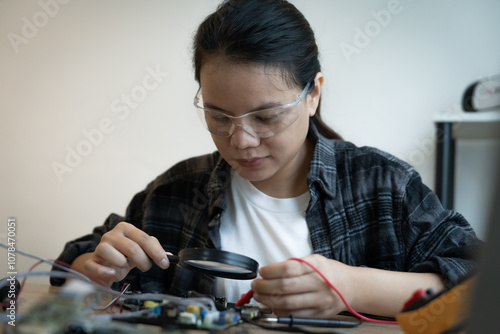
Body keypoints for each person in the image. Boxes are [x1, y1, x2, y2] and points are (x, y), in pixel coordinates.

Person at [51, 0, 481, 318]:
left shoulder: (383, 186)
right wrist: (92, 273)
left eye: (266, 116)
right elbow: (70, 271)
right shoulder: (173, 194)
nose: (241, 141)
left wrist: (351, 288)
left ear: (313, 94)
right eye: (219, 116)